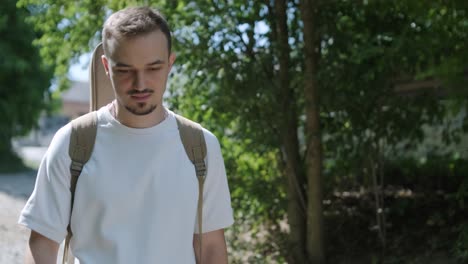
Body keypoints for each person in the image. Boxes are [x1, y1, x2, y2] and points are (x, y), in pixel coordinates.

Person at [19, 6, 234, 264]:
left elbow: (210, 247)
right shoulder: (73, 142)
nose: (140, 83)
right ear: (107, 67)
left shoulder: (200, 147)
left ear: (170, 64)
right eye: (125, 70)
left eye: (153, 68)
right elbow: (42, 244)